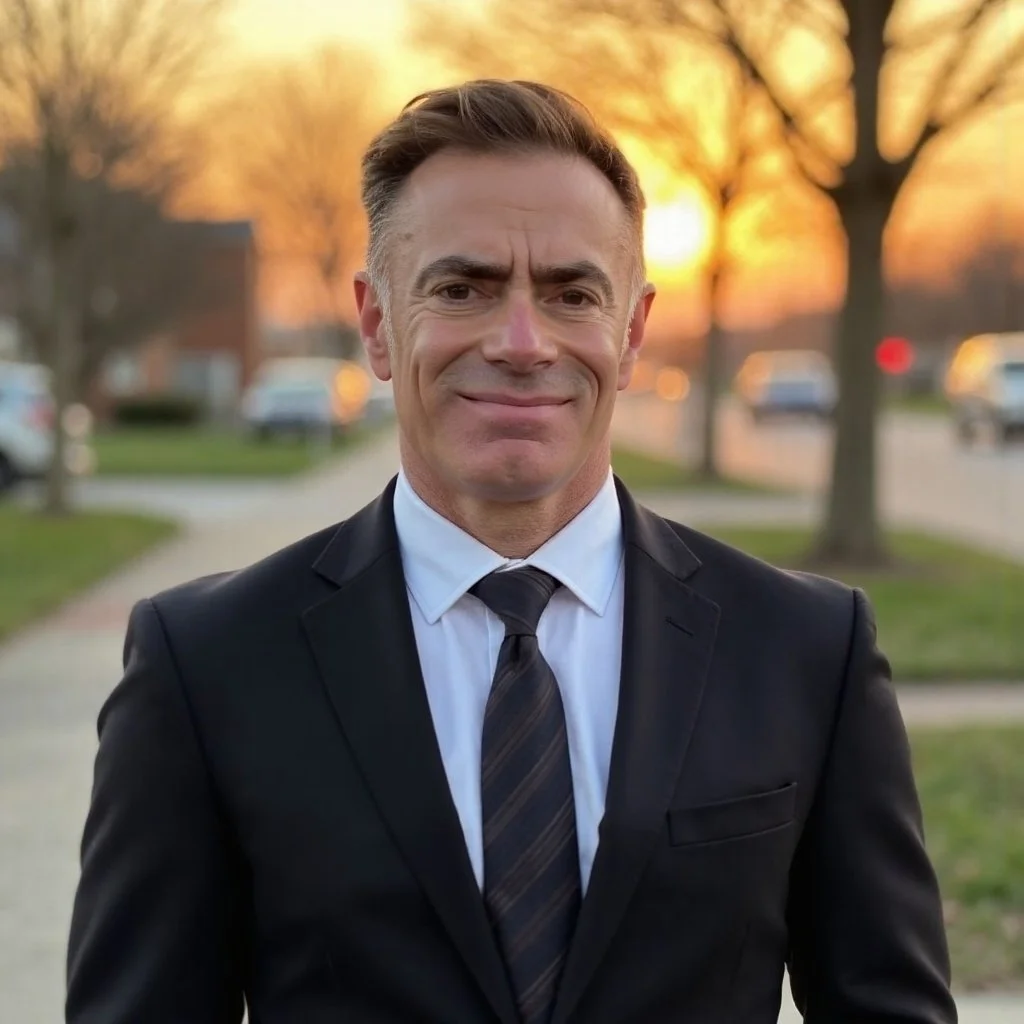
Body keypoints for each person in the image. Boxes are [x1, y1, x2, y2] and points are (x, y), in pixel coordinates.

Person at [66, 79, 957, 1024]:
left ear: (633, 328)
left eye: (574, 293)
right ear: (376, 322)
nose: (523, 341)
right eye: (462, 288)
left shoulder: (807, 652)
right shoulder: (206, 665)